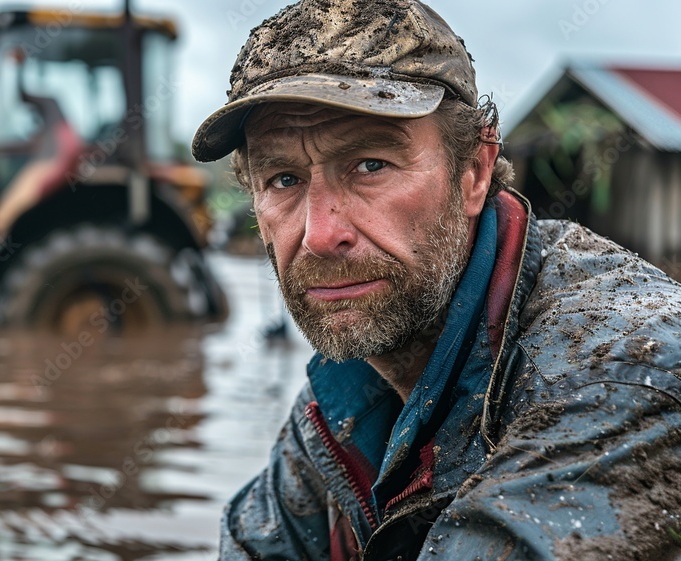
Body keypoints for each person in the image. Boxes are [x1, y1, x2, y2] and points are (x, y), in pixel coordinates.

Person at [190, 0, 681, 559]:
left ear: (473, 173)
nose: (320, 234)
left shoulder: (624, 369)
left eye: (370, 165)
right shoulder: (343, 399)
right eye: (283, 179)